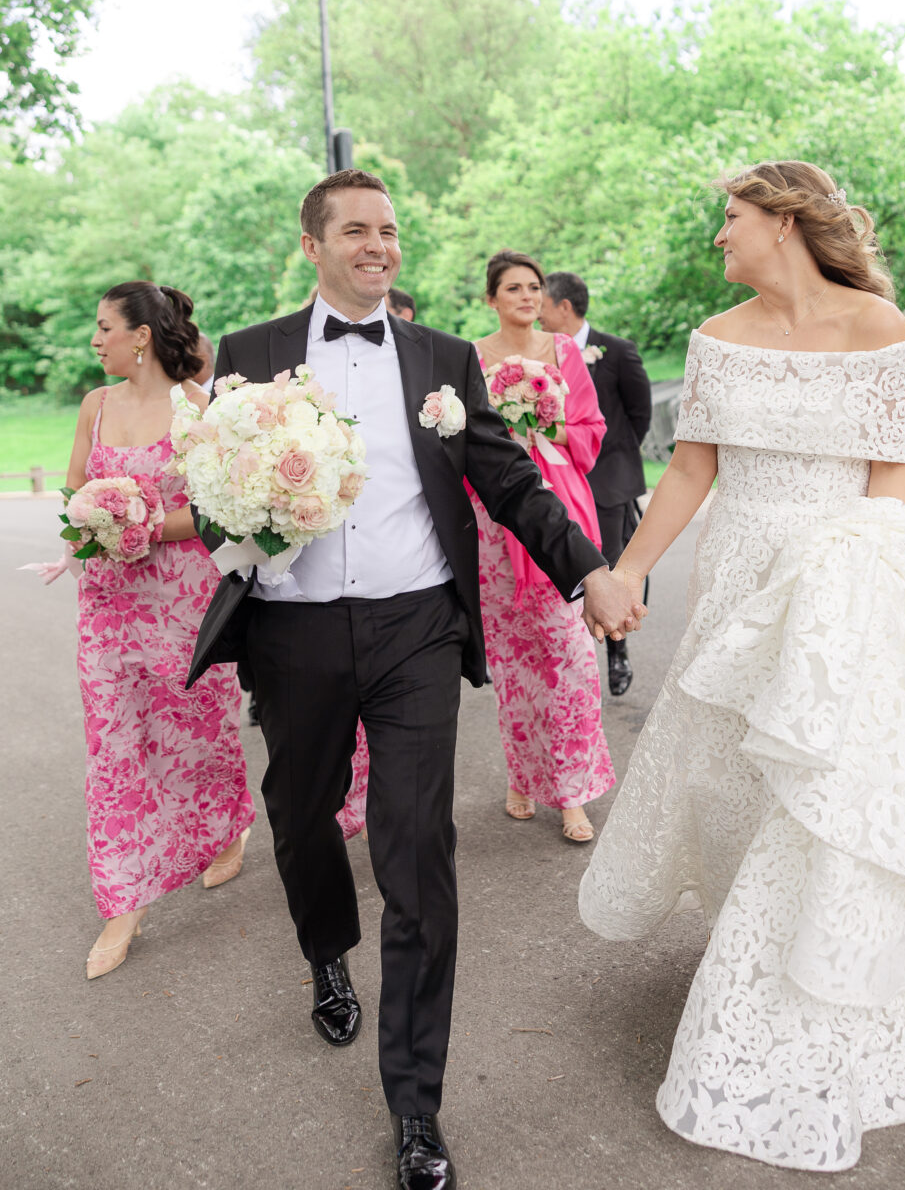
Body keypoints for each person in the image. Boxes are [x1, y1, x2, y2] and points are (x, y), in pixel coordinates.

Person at [578, 161, 905, 1173]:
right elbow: (692, 468)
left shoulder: (878, 331)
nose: (720, 236)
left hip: (836, 594)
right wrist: (625, 570)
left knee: (820, 799)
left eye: (731, 217)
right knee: (742, 784)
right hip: (736, 581)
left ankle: (787, 1013)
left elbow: (892, 486)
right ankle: (778, 959)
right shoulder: (713, 339)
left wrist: (857, 598)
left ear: (783, 221)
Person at [185, 170, 641, 1190]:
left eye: (388, 230)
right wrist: (245, 510)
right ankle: (323, 949)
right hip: (292, 633)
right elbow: (213, 491)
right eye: (355, 230)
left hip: (415, 631)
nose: (377, 244)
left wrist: (590, 570)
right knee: (301, 821)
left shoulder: (442, 360)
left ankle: (416, 1108)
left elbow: (507, 476)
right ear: (312, 245)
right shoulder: (252, 353)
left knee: (417, 852)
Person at [49, 284, 254, 979]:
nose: (94, 341)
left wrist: (141, 525)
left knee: (201, 728)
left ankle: (229, 827)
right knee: (114, 743)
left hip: (185, 603)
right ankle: (123, 900)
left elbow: (215, 508)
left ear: (141, 335)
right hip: (108, 605)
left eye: (104, 328)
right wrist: (96, 518)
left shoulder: (198, 409)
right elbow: (75, 486)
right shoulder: (94, 406)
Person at [471, 250, 614, 840]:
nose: (527, 297)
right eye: (513, 288)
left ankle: (573, 792)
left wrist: (543, 423)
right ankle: (523, 776)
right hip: (495, 522)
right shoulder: (471, 358)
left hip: (558, 509)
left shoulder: (566, 353)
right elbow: (466, 440)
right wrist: (507, 426)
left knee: (570, 657)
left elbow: (590, 430)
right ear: (492, 299)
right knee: (513, 660)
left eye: (533, 287)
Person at [541, 271, 652, 696]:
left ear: (564, 307)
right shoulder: (542, 352)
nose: (538, 314)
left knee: (610, 565)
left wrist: (616, 463)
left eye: (543, 304)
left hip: (608, 478)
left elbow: (639, 413)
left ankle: (617, 650)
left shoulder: (617, 351)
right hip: (560, 475)